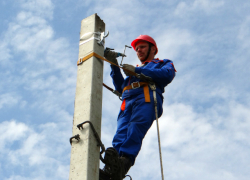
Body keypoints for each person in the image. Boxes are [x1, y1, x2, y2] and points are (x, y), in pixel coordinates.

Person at [103, 35, 176, 179]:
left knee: (135, 128)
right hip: (128, 101)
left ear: (153, 49)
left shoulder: (162, 63)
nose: (138, 51)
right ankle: (111, 167)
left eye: (142, 47)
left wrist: (138, 72)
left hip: (146, 97)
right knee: (120, 133)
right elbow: (120, 87)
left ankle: (124, 163)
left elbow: (167, 75)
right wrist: (113, 64)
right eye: (136, 49)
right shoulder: (134, 70)